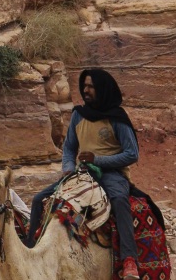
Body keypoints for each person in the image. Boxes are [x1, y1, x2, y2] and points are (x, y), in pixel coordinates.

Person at [30, 67, 143, 254]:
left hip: (112, 174)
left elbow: (132, 154)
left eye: (91, 87)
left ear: (103, 89)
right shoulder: (78, 114)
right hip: (82, 173)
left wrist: (97, 160)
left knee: (119, 200)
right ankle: (31, 249)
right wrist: (68, 168)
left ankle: (129, 257)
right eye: (84, 86)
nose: (86, 90)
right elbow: (69, 148)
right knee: (39, 199)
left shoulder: (117, 117)